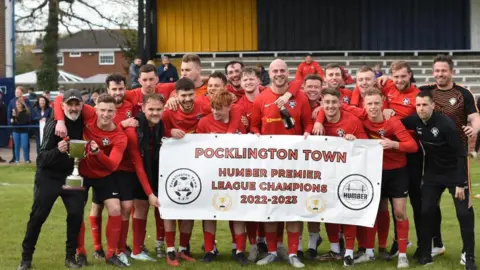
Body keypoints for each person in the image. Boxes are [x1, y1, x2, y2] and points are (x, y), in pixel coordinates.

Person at [401, 91, 476, 270]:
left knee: (464, 213)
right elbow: (392, 125)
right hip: (432, 174)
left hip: (454, 173)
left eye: (425, 105)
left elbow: (460, 154)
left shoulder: (445, 124)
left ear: (433, 106)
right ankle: (427, 252)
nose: (421, 109)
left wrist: (460, 183)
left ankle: (468, 254)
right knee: (426, 211)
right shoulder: (413, 121)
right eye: (418, 105)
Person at [250, 59, 313, 268]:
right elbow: (254, 126)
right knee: (271, 206)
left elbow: (308, 123)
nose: (279, 74)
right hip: (269, 163)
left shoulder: (300, 97)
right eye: (275, 70)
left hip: (295, 163)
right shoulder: (261, 98)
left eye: (282, 70)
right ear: (270, 73)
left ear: (288, 73)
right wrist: (258, 137)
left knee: (294, 206)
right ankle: (271, 251)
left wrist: (307, 133)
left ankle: (294, 252)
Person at [17, 89, 86, 270]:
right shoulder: (53, 123)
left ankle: (70, 257)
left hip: (72, 175)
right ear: (63, 106)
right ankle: (26, 258)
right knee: (38, 216)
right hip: (49, 176)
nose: (73, 108)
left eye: (76, 104)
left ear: (81, 105)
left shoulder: (84, 119)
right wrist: (58, 150)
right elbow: (41, 158)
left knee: (76, 214)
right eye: (69, 104)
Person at [316, 87, 369, 267]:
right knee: (329, 211)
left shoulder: (352, 121)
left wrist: (355, 141)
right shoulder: (317, 123)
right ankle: (334, 249)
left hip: (348, 174)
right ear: (321, 104)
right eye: (327, 102)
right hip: (326, 174)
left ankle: (348, 252)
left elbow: (366, 146)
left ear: (340, 103)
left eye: (333, 102)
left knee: (348, 212)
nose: (330, 106)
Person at [196, 91, 247, 265]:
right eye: (213, 108)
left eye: (219, 109)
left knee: (238, 213)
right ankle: (210, 250)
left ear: (228, 107)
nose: (215, 112)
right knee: (210, 213)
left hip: (235, 175)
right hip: (212, 175)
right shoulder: (204, 122)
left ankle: (239, 250)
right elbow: (197, 149)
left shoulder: (239, 121)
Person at [11, 99, 31, 164]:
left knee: (25, 146)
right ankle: (17, 160)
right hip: (15, 131)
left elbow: (25, 122)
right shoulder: (15, 112)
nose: (17, 106)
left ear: (22, 104)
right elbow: (13, 123)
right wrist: (14, 116)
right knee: (16, 146)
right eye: (16, 104)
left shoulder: (26, 112)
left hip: (24, 131)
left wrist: (16, 121)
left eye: (19, 104)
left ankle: (26, 160)